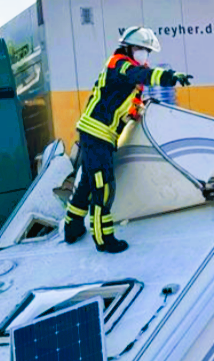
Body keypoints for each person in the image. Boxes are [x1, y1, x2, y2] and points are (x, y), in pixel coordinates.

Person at [64, 27, 193, 253]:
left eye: (147, 50)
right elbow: (140, 74)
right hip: (97, 134)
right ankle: (104, 240)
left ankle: (72, 227)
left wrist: (140, 112)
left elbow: (125, 105)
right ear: (128, 47)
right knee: (103, 187)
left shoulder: (126, 75)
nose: (144, 54)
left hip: (96, 134)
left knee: (87, 183)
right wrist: (170, 77)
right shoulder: (120, 64)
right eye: (141, 49)